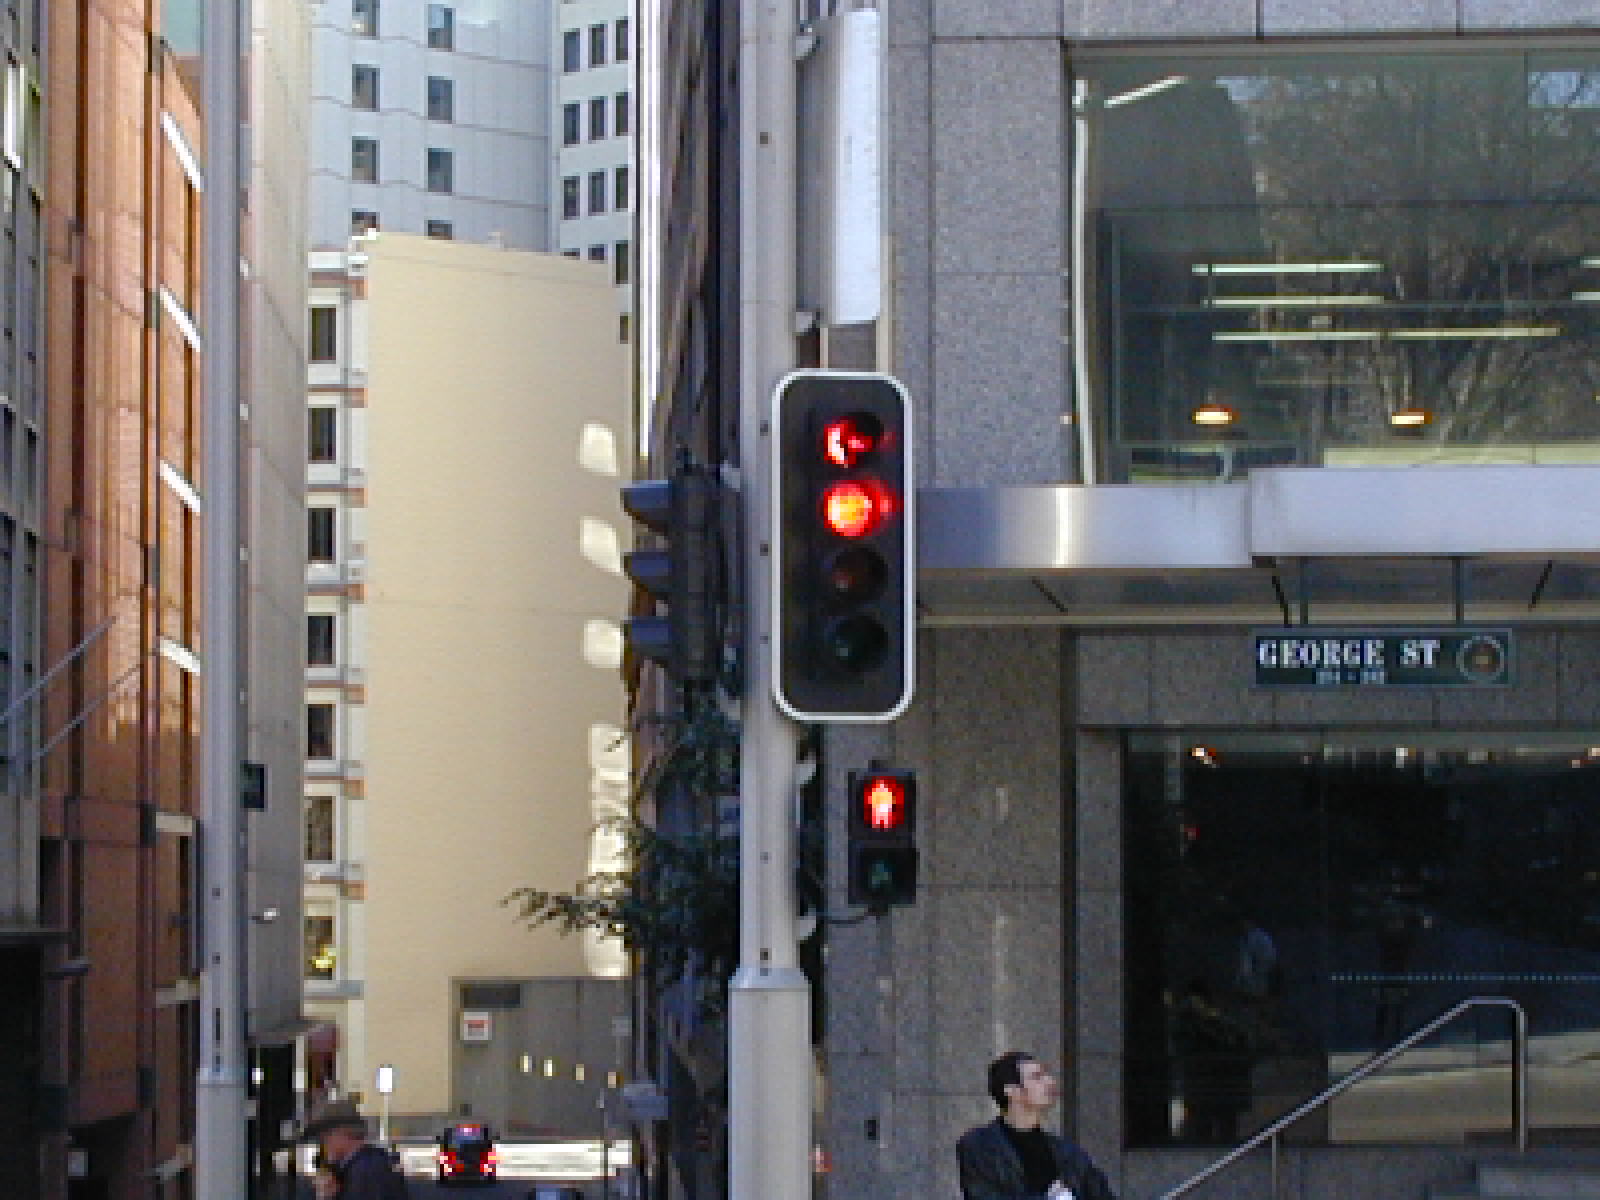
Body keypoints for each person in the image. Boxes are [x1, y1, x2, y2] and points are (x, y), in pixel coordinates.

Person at [956, 1051, 1117, 1200]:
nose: (1050, 1082)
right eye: (1037, 1077)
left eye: (1047, 1075)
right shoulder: (980, 1145)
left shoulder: (1067, 1152)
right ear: (1011, 1091)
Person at [299, 1098, 409, 1199]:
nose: (322, 1145)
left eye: (323, 1138)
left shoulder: (365, 1171)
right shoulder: (366, 1164)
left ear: (342, 1132)